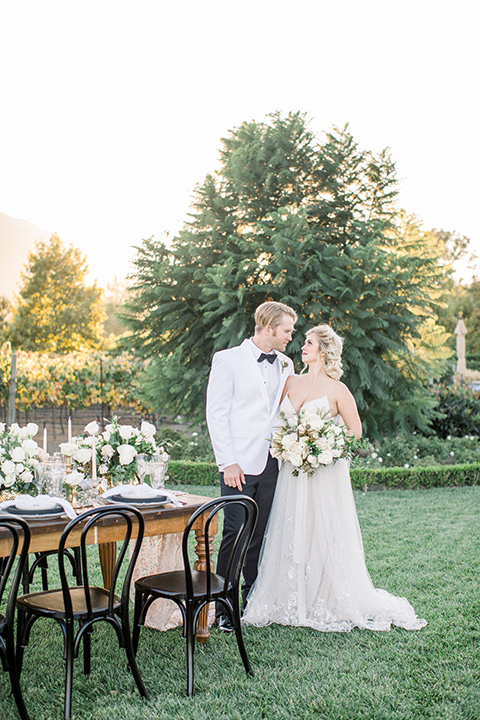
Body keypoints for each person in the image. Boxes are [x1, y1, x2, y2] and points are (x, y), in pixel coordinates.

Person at [243, 324, 426, 632]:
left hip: (320, 475)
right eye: (303, 341)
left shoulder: (338, 390)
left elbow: (356, 434)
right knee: (288, 528)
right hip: (291, 473)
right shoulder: (289, 381)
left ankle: (323, 597)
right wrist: (290, 444)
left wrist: (319, 445)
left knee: (319, 531)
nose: (303, 346)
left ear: (324, 351)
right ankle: (285, 596)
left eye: (309, 342)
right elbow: (274, 423)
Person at [206, 301, 297, 631]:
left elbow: (285, 411)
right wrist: (228, 462)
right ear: (269, 328)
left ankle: (253, 601)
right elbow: (216, 414)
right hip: (238, 465)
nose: (291, 337)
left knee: (260, 535)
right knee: (234, 534)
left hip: (273, 462)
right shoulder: (227, 359)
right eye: (287, 330)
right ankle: (224, 608)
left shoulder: (286, 364)